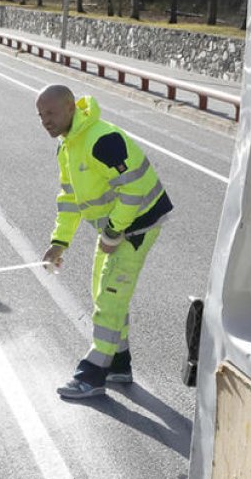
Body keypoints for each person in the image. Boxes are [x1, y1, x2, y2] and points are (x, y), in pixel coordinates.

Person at [37, 84, 172, 399]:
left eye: (51, 112)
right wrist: (59, 242)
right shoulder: (67, 146)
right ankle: (119, 364)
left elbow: (135, 189)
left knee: (110, 298)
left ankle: (93, 374)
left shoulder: (101, 140)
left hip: (138, 225)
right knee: (101, 289)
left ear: (71, 108)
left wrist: (113, 233)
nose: (45, 120)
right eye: (41, 114)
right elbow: (69, 199)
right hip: (117, 227)